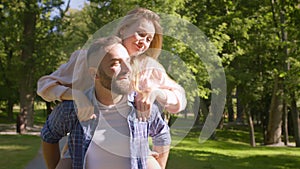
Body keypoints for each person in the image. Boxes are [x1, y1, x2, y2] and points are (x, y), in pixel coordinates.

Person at [41, 36, 171, 169]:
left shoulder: (142, 106)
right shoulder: (72, 108)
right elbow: (49, 135)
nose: (127, 69)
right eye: (115, 63)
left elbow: (162, 134)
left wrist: (158, 165)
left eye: (128, 61)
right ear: (94, 74)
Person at [37, 7, 186, 122]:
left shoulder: (149, 68)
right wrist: (77, 95)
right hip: (84, 144)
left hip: (130, 149)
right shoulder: (86, 58)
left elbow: (180, 99)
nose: (144, 43)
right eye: (141, 34)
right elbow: (44, 86)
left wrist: (155, 93)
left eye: (149, 39)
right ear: (123, 29)